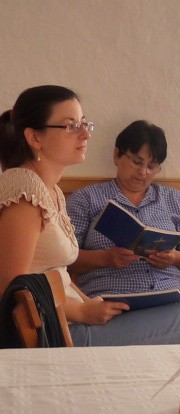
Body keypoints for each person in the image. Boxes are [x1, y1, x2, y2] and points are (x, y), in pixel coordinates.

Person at [0, 85, 137, 332]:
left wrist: (90, 304)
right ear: (35, 138)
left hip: (70, 321)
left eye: (84, 123)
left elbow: (58, 273)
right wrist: (82, 312)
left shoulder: (50, 190)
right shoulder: (25, 190)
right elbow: (11, 288)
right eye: (71, 126)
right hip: (52, 332)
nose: (85, 135)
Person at [65, 120, 180, 345]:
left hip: (168, 303)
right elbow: (65, 259)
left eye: (152, 166)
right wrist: (106, 258)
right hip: (109, 307)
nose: (143, 172)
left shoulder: (176, 200)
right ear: (117, 155)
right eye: (136, 162)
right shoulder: (86, 199)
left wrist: (174, 258)